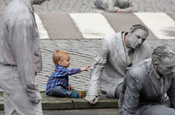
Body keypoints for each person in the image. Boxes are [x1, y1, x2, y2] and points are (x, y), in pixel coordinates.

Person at [0, 0, 49, 114]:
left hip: (10, 74)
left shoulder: (15, 6)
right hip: (17, 77)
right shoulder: (23, 17)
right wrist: (32, 90)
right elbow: (23, 58)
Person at [86, 24, 151, 104]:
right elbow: (97, 68)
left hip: (136, 84)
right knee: (135, 93)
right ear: (130, 31)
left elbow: (150, 72)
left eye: (143, 40)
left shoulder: (146, 49)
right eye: (137, 37)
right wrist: (92, 92)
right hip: (113, 84)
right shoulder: (109, 42)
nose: (139, 42)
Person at [119, 45, 175, 115]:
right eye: (169, 68)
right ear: (156, 64)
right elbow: (129, 108)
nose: (173, 70)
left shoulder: (171, 71)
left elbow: (173, 96)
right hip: (142, 107)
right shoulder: (137, 75)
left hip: (161, 103)